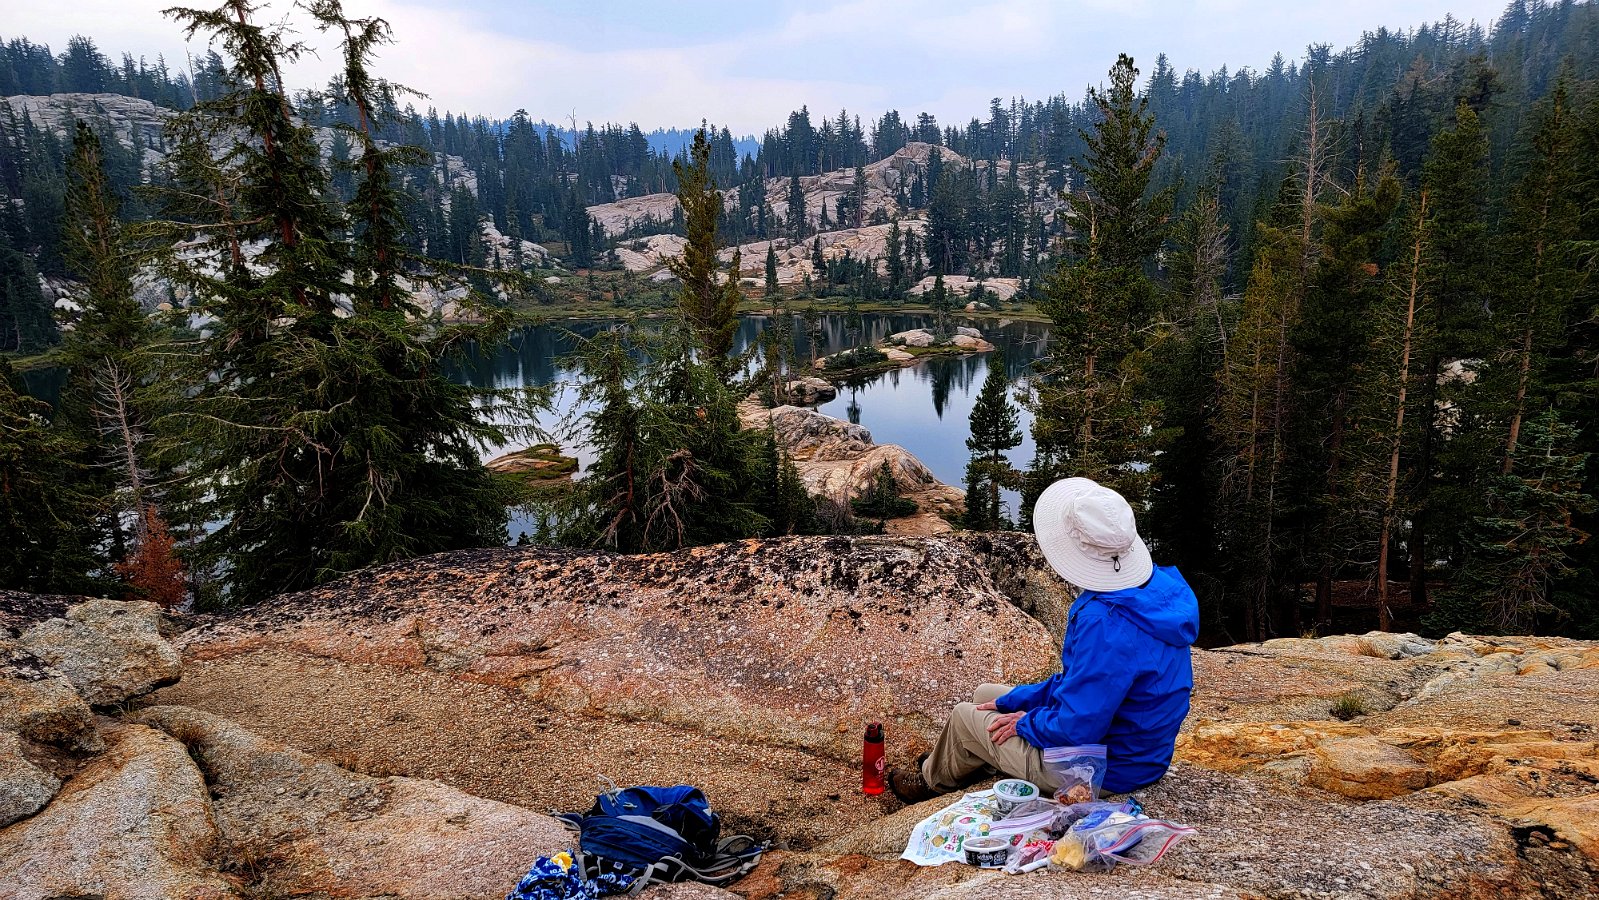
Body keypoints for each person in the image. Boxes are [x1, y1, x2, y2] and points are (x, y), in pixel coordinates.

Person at [888, 477, 1198, 803]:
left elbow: (1076, 727)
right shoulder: (1157, 588)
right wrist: (1017, 701)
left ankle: (931, 783)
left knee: (966, 718)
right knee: (988, 695)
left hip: (1105, 768)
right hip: (1140, 749)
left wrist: (1027, 722)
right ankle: (974, 756)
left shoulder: (1105, 625)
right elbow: (1083, 685)